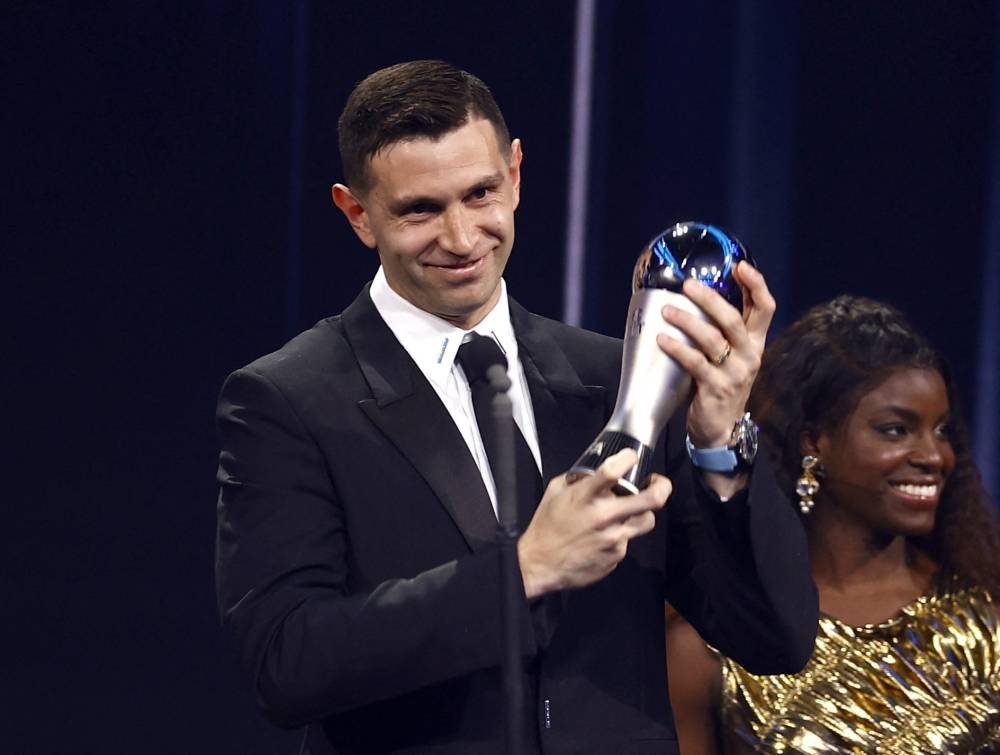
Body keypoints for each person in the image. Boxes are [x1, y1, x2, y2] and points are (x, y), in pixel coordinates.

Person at [215, 59, 816, 755]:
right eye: (420, 209)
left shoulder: (611, 381)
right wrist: (525, 569)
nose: (463, 238)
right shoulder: (286, 398)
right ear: (357, 213)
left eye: (480, 194)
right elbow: (287, 663)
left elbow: (775, 638)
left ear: (517, 174)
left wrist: (720, 441)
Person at [666, 295, 1000, 754]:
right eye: (896, 430)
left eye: (941, 431)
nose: (934, 457)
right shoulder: (713, 644)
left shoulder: (987, 622)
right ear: (814, 441)